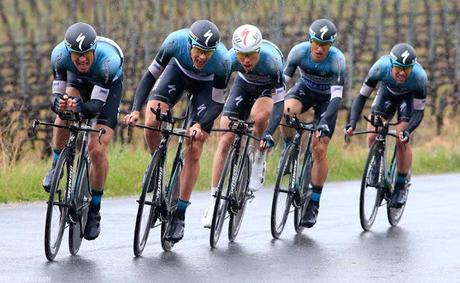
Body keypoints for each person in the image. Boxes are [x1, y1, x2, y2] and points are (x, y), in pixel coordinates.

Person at [124, 20, 230, 244]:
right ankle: (157, 164)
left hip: (206, 89)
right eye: (199, 51)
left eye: (207, 53)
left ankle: (180, 214)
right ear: (190, 44)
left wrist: (199, 124)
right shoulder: (174, 42)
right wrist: (135, 110)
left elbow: (218, 103)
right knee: (152, 118)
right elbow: (149, 77)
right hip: (177, 74)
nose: (202, 57)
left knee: (194, 146)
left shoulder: (222, 61)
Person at [43, 22, 124, 240]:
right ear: (68, 52)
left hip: (106, 87)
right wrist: (60, 104)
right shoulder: (59, 57)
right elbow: (56, 96)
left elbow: (94, 108)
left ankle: (95, 210)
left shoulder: (109, 61)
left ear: (94, 50)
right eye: (76, 54)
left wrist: (80, 107)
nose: (81, 59)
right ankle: (55, 166)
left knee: (96, 149)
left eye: (86, 53)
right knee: (63, 114)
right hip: (77, 81)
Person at [201, 24, 285, 228]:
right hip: (243, 85)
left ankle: (258, 156)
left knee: (258, 117)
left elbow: (280, 103)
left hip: (266, 89)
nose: (246, 60)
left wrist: (269, 134)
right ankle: (214, 200)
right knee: (226, 135)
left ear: (258, 51)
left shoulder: (272, 62)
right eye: (241, 55)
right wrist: (205, 121)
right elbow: (217, 97)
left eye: (250, 55)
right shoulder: (229, 61)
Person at [345, 43, 427, 208]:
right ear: (391, 65)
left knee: (401, 138)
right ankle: (375, 164)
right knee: (373, 133)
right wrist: (352, 122)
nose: (402, 73)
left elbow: (418, 112)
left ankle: (401, 185)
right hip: (387, 92)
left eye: (406, 69)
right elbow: (361, 98)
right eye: (398, 68)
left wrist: (408, 131)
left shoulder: (419, 77)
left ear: (412, 67)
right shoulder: (379, 68)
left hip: (408, 99)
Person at [281, 18, 346, 228]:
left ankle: (314, 201)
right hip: (305, 91)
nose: (319, 48)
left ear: (331, 45)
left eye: (325, 45)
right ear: (310, 40)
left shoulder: (337, 61)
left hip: (327, 100)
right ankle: (288, 147)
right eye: (316, 43)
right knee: (286, 111)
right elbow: (282, 84)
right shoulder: (298, 52)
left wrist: (325, 122)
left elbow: (337, 97)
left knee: (320, 147)